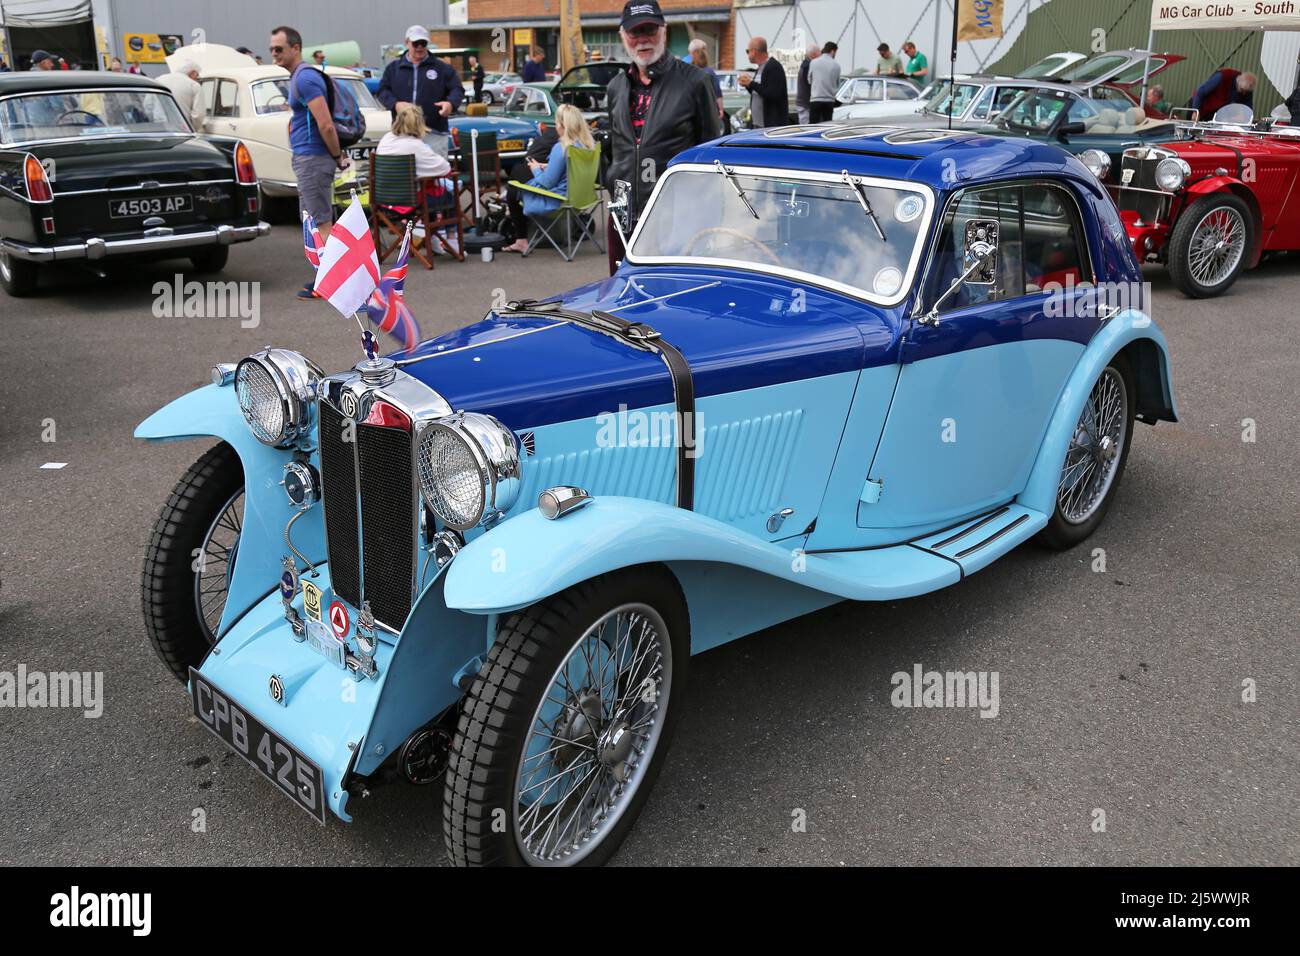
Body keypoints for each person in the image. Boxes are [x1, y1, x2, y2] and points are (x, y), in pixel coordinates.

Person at [605, 0, 720, 271]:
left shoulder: (694, 82)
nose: (643, 40)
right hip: (622, 210)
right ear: (623, 36)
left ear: (664, 32)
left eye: (650, 31)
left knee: (667, 292)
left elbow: (709, 152)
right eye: (635, 33)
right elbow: (617, 145)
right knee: (619, 293)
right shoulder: (616, 87)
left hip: (674, 213)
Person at [270, 24, 350, 300]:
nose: (274, 54)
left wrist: (337, 155)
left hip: (314, 158)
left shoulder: (304, 78)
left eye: (279, 49)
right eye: (271, 49)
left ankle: (329, 283)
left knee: (321, 222)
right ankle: (327, 280)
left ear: (295, 48)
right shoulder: (299, 78)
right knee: (315, 221)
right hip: (309, 157)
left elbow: (326, 124)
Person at [502, 103, 593, 253]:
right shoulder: (587, 146)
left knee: (516, 179)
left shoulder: (562, 147)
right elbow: (571, 170)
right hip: (582, 197)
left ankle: (521, 239)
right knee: (518, 177)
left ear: (562, 125)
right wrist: (548, 166)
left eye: (557, 123)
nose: (555, 126)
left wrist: (537, 169)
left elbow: (547, 183)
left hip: (558, 199)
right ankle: (520, 236)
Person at [377, 25, 464, 158]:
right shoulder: (393, 69)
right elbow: (382, 91)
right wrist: (395, 104)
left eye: (423, 43)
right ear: (407, 43)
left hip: (434, 132)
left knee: (436, 173)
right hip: (403, 133)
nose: (419, 47)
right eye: (416, 43)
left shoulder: (442, 68)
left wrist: (450, 104)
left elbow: (457, 89)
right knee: (408, 174)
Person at [739, 36, 788, 128]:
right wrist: (748, 85)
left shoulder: (773, 67)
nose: (748, 54)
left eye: (748, 51)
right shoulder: (760, 68)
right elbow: (759, 92)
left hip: (769, 125)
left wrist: (751, 84)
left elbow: (772, 93)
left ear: (754, 51)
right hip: (757, 123)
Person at [155, 59, 206, 131]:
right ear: (193, 73)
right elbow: (198, 115)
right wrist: (192, 129)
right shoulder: (193, 85)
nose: (196, 79)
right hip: (182, 130)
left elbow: (148, 106)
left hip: (159, 128)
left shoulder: (158, 80)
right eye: (197, 76)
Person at [1191, 68, 1255, 119]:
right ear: (1238, 83)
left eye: (1246, 92)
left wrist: (1248, 118)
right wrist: (1196, 111)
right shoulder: (1223, 76)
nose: (1244, 93)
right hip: (1201, 106)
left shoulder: (1247, 89)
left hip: (1218, 114)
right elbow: (1201, 91)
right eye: (1242, 90)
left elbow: (1248, 107)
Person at [688, 38, 724, 127]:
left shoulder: (688, 71)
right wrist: (721, 109)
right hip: (709, 110)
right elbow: (717, 92)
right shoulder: (710, 72)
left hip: (692, 110)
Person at [808, 41, 840, 123]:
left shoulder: (814, 62)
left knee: (813, 125)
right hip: (829, 101)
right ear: (833, 51)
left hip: (815, 99)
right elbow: (837, 84)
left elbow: (809, 80)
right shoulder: (836, 65)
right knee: (827, 125)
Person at [795, 42, 819, 125]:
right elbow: (809, 84)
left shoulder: (805, 64)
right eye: (819, 52)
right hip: (805, 104)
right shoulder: (808, 66)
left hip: (803, 103)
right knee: (806, 128)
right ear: (814, 53)